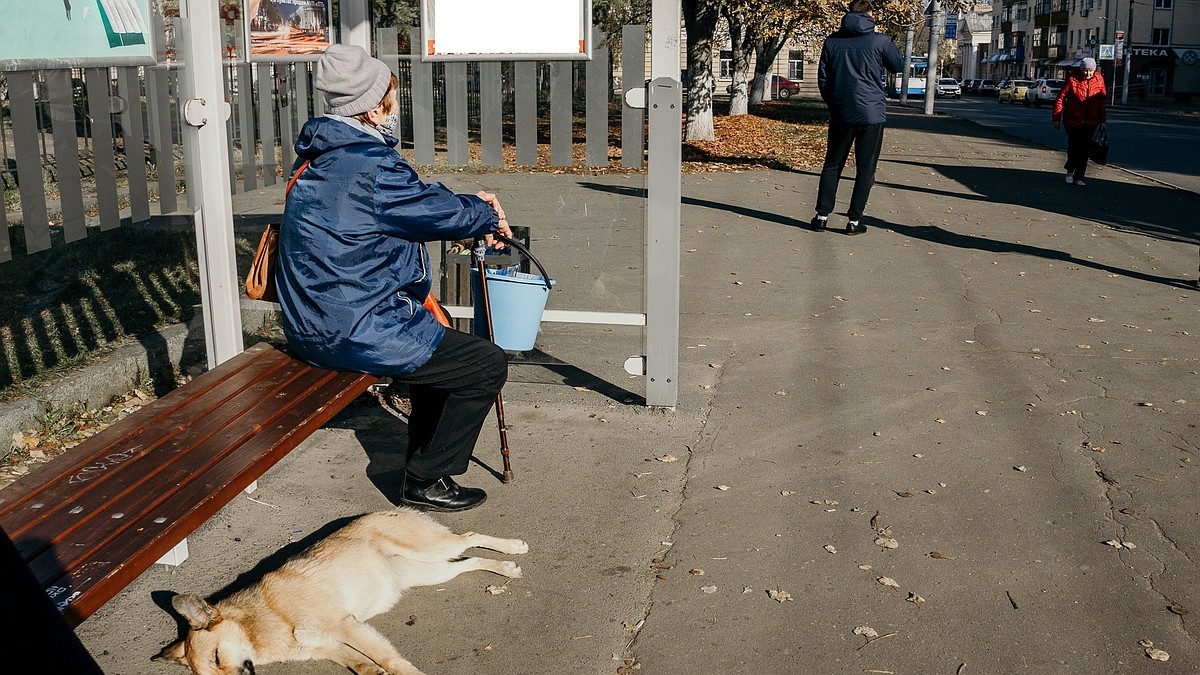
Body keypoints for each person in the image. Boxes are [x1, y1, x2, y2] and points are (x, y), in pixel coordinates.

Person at [276, 44, 513, 513]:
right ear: (374, 106)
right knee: (485, 364)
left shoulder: (318, 158)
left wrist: (467, 208)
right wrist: (483, 212)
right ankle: (425, 480)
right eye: (391, 96)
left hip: (312, 322)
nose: (394, 106)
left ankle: (425, 469)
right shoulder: (370, 164)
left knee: (441, 350)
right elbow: (436, 212)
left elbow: (412, 203)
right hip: (354, 327)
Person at [810, 0, 904, 235]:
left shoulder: (832, 41)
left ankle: (821, 216)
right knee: (865, 168)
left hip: (841, 112)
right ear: (870, 14)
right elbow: (898, 65)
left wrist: (834, 104)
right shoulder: (880, 40)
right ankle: (853, 221)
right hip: (871, 113)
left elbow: (823, 79)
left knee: (832, 165)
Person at [1052, 57, 1107, 186]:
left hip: (1091, 121)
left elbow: (1101, 102)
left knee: (1085, 149)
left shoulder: (1099, 80)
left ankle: (1079, 177)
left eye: (1090, 71)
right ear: (1081, 69)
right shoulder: (1072, 79)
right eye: (1085, 70)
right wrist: (1056, 117)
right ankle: (1070, 172)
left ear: (1094, 70)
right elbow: (1061, 98)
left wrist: (1103, 120)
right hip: (1072, 120)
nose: (1088, 73)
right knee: (1075, 147)